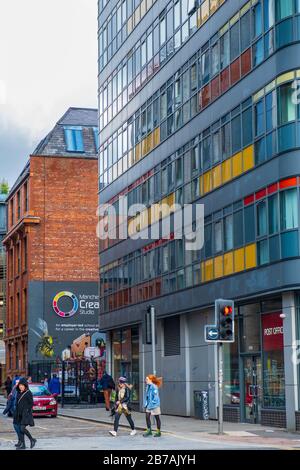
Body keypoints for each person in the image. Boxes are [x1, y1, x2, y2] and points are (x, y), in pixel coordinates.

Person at [13, 378, 36, 450]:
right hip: (18, 414)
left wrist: (26, 410)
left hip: (25, 414)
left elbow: (31, 403)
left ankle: (32, 439)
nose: (21, 386)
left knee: (22, 429)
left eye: (22, 385)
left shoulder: (28, 393)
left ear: (25, 385)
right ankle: (23, 444)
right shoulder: (19, 392)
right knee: (19, 428)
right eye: (20, 385)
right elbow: (17, 404)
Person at [3, 378, 22, 447]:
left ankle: (22, 441)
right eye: (16, 382)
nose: (17, 383)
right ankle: (20, 441)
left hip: (20, 412)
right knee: (17, 426)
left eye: (18, 382)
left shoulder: (21, 390)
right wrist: (6, 411)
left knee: (18, 426)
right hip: (15, 412)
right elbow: (10, 401)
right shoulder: (14, 389)